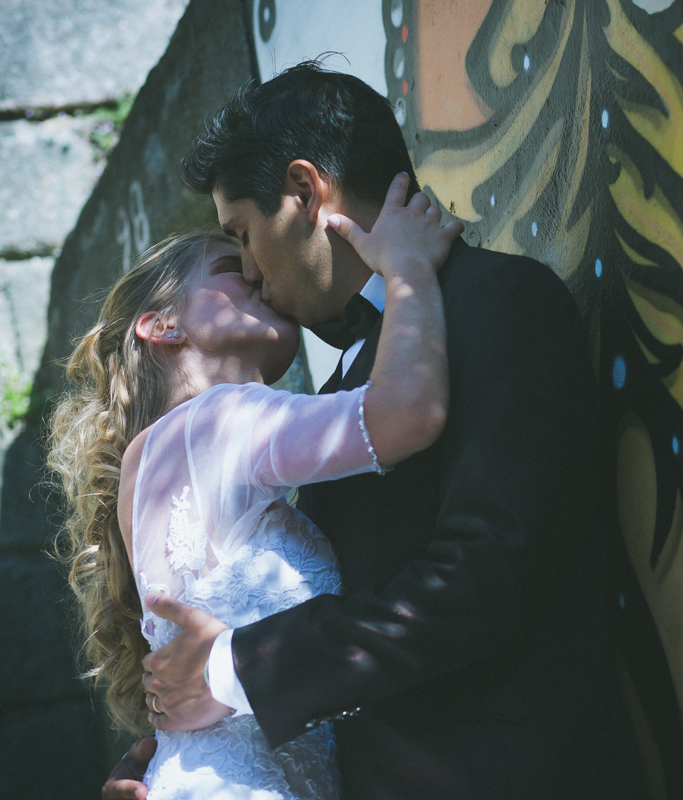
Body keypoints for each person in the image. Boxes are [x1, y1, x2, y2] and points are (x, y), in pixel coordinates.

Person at [105, 62, 636, 800]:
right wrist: (175, 763)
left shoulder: (500, 304)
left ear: (304, 192)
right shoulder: (338, 394)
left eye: (242, 235)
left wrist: (231, 672)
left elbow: (483, 578)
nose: (252, 274)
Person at [50, 171, 462, 799]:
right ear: (161, 326)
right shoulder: (220, 419)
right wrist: (407, 270)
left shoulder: (148, 465)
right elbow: (408, 413)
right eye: (228, 266)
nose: (253, 272)